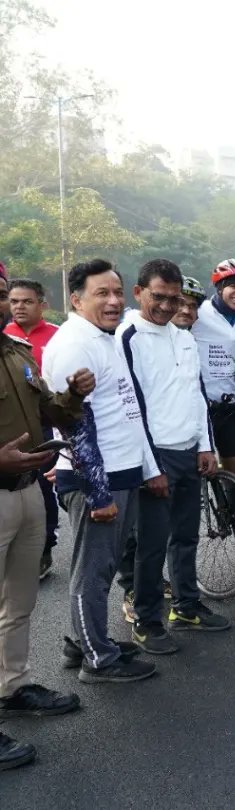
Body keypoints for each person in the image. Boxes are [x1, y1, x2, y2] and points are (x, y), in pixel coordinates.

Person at [42, 259, 164, 684]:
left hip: (121, 471)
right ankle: (98, 660)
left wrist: (147, 468)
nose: (113, 301)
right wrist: (98, 494)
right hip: (98, 478)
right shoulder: (74, 345)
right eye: (102, 293)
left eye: (117, 292)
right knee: (92, 572)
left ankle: (84, 640)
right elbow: (75, 427)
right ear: (76, 300)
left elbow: (127, 410)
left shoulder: (104, 336)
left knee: (103, 566)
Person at [118, 259, 227, 655]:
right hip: (155, 457)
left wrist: (205, 445)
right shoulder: (128, 337)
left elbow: (196, 396)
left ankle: (186, 607)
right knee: (151, 544)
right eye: (158, 297)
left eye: (174, 298)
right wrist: (151, 467)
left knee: (185, 536)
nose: (166, 306)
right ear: (138, 293)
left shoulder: (184, 338)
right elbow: (132, 408)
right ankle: (147, 621)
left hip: (188, 452)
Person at [0, 315, 94, 770]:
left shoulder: (17, 353)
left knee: (18, 603)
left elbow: (52, 411)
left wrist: (73, 394)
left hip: (27, 491)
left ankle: (12, 688)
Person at [191, 259, 235, 570]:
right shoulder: (197, 313)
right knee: (188, 481)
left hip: (230, 406)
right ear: (219, 288)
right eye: (232, 286)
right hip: (196, 407)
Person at [3, 279, 61, 580]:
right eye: (14, 301)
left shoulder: (56, 336)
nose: (19, 307)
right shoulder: (8, 337)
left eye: (26, 301)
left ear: (42, 304)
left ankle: (45, 548)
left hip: (42, 427)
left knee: (41, 489)